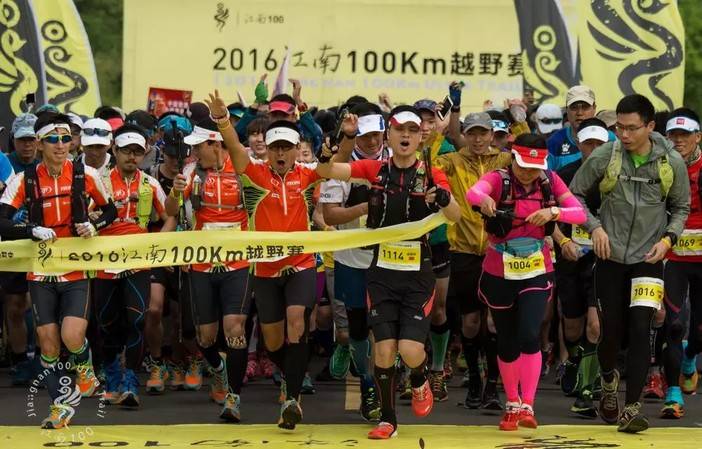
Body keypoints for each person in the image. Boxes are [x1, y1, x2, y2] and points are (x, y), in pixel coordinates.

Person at [315, 105, 462, 439]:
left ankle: (420, 377)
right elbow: (326, 171)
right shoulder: (375, 169)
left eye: (412, 130)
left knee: (409, 350)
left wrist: (442, 197)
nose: (406, 136)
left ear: (420, 137)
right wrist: (334, 145)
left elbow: (455, 215)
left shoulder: (431, 172)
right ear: (389, 136)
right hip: (381, 272)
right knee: (383, 350)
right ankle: (387, 419)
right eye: (399, 130)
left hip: (418, 273)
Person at [569, 94, 690, 433]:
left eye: (631, 128)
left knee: (640, 328)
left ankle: (632, 408)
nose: (623, 134)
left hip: (648, 259)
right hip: (609, 256)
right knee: (610, 332)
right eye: (619, 127)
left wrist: (668, 240)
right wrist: (595, 228)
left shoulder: (670, 162)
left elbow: (681, 208)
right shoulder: (606, 156)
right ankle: (609, 382)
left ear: (650, 127)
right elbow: (574, 195)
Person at [207, 90, 325, 430]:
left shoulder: (308, 174)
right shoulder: (254, 174)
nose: (281, 153)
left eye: (287, 147)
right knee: (273, 342)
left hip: (300, 263)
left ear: (296, 149)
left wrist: (345, 139)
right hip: (264, 268)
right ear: (268, 151)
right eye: (276, 148)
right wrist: (223, 120)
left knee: (297, 322)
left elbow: (337, 163)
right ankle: (290, 376)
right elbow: (233, 146)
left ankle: (291, 400)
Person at [0, 112, 117, 429]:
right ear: (39, 144)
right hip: (41, 271)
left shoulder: (85, 174)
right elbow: (2, 220)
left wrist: (93, 226)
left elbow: (110, 210)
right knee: (48, 342)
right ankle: (61, 406)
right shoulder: (24, 180)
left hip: (76, 268)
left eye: (66, 138)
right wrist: (31, 230)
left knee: (71, 335)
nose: (61, 145)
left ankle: (86, 369)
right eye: (53, 139)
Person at [467, 133, 586, 431]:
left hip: (536, 268)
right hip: (499, 269)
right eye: (523, 165)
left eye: (535, 167)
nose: (528, 173)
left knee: (530, 334)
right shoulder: (499, 179)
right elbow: (473, 193)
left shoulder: (550, 181)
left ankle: (528, 405)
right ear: (513, 158)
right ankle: (512, 402)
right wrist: (484, 200)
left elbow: (579, 213)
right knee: (506, 338)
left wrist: (553, 211)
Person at [171, 118, 252, 422]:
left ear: (215, 144)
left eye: (198, 147)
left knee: (235, 329)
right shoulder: (192, 172)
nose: (193, 153)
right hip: (202, 263)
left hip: (239, 261)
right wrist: (175, 193)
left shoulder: (243, 167)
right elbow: (169, 211)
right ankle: (218, 371)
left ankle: (234, 397)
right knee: (205, 337)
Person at [93, 124, 174, 408]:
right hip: (104, 260)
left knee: (137, 319)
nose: (131, 157)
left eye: (137, 152)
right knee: (107, 322)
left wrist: (156, 244)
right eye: (126, 151)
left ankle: (129, 380)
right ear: (114, 151)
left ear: (144, 154)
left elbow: (170, 216)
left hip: (139, 260)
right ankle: (112, 376)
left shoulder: (150, 184)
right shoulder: (98, 181)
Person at [436, 112, 511, 410]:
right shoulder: (452, 160)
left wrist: (519, 122)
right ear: (464, 135)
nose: (478, 139)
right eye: (472, 133)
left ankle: (492, 385)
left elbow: (534, 160)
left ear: (493, 134)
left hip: (498, 250)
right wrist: (438, 133)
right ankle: (476, 381)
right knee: (470, 322)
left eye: (483, 133)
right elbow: (424, 164)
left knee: (493, 321)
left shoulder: (505, 160)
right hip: (463, 252)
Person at [319, 101, 388, 421]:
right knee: (358, 329)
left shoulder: (398, 162)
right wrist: (365, 208)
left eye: (376, 135)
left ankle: (382, 384)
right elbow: (329, 215)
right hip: (351, 260)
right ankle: (366, 383)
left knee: (385, 328)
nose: (372, 141)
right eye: (364, 136)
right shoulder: (340, 165)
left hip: (390, 260)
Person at [551, 118, 609, 418]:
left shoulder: (616, 175)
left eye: (600, 144)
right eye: (589, 143)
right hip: (571, 257)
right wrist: (563, 242)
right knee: (572, 327)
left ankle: (587, 391)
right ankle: (574, 360)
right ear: (578, 144)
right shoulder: (563, 175)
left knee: (595, 325)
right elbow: (549, 218)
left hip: (604, 258)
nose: (595, 149)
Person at [660, 107, 702, 418]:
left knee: (699, 331)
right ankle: (673, 394)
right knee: (674, 325)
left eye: (684, 135)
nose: (678, 140)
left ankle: (690, 357)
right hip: (672, 256)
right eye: (673, 135)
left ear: (697, 137)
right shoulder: (661, 166)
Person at [547, 85, 599, 171]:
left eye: (585, 107)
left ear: (594, 108)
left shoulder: (609, 139)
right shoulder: (554, 142)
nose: (579, 113)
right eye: (574, 107)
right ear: (567, 110)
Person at [80, 118, 115, 182]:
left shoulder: (118, 167)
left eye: (100, 146)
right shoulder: (72, 165)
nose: (94, 152)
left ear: (111, 143)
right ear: (80, 142)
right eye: (89, 146)